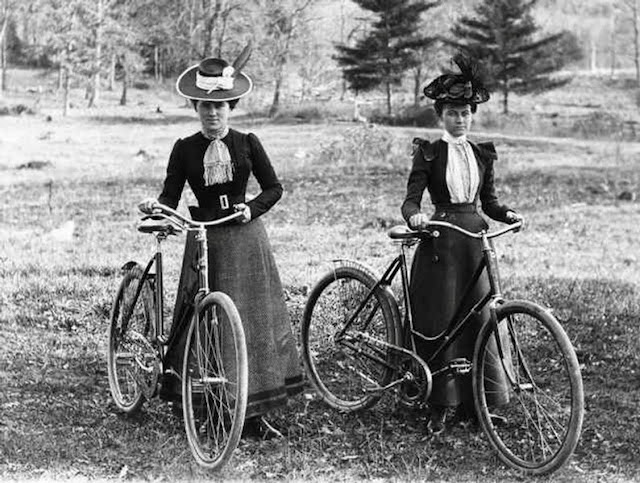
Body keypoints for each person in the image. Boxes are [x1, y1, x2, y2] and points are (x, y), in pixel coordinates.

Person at [139, 46, 304, 438]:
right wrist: (156, 207)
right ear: (195, 107)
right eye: (205, 107)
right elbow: (170, 194)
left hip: (246, 239)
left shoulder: (248, 142)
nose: (213, 114)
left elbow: (274, 188)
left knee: (250, 319)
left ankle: (254, 410)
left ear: (233, 106)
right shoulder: (184, 148)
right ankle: (210, 405)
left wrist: (252, 208)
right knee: (207, 320)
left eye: (222, 106)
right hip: (205, 238)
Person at [400, 54, 524, 435]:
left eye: (466, 113)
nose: (460, 119)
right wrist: (415, 218)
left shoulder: (481, 154)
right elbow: (410, 200)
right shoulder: (429, 152)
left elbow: (489, 203)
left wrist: (507, 216)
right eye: (453, 112)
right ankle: (440, 402)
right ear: (441, 115)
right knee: (441, 319)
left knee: (480, 317)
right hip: (440, 242)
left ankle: (477, 402)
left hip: (475, 242)